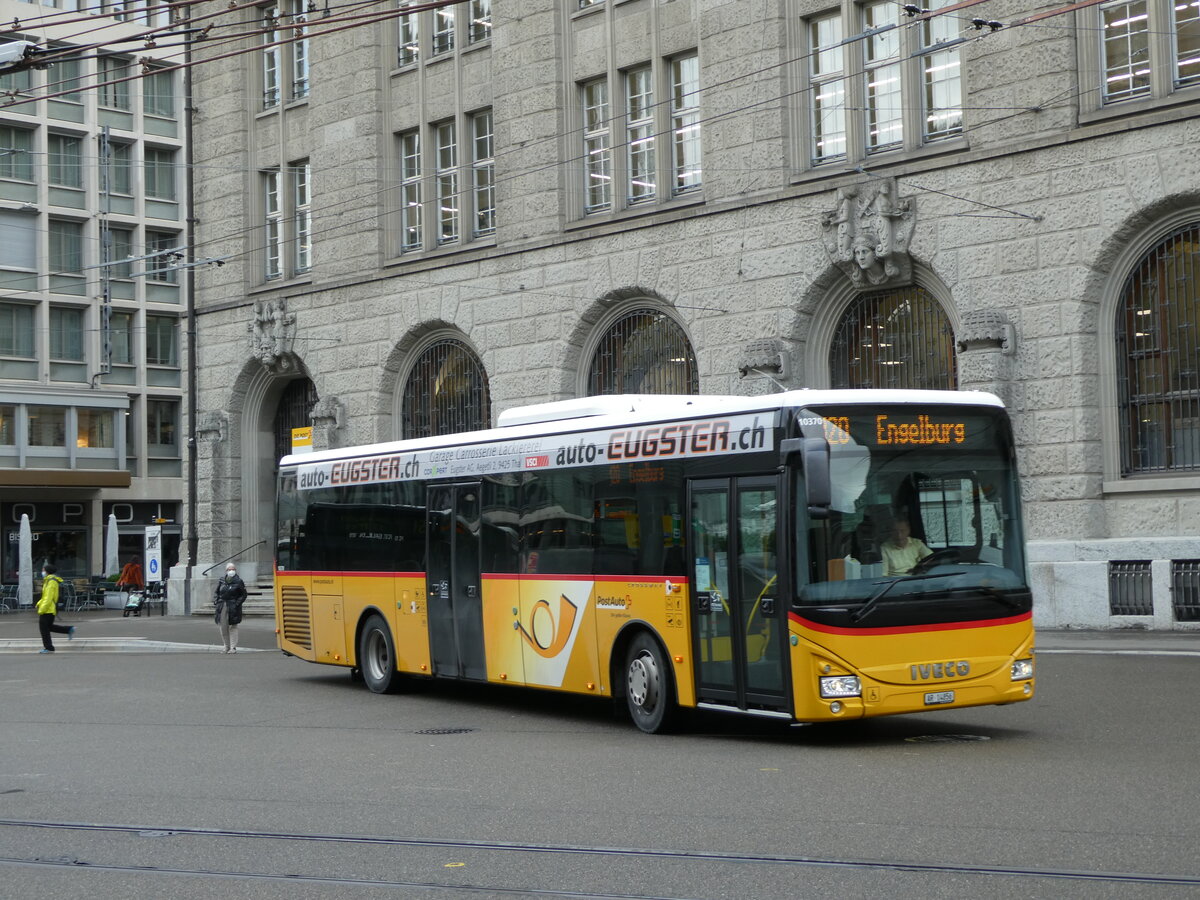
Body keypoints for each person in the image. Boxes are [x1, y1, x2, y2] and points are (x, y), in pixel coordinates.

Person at [36, 564, 74, 653]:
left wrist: (42, 609)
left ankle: (49, 648)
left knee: (44, 629)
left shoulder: (51, 581)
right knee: (49, 627)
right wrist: (39, 603)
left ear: (47, 571)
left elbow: (48, 597)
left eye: (43, 570)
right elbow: (45, 596)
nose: (42, 572)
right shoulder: (49, 580)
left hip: (48, 609)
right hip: (49, 608)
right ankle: (68, 629)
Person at [213, 563, 247, 653]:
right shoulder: (222, 580)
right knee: (223, 627)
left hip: (232, 606)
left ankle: (233, 647)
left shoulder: (239, 581)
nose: (231, 571)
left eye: (233, 569)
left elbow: (243, 595)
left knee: (233, 626)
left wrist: (236, 604)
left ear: (235, 570)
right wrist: (216, 601)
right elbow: (217, 592)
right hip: (222, 605)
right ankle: (226, 646)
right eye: (229, 569)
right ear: (226, 571)